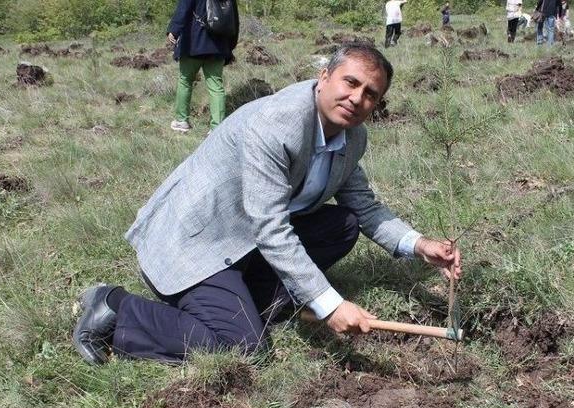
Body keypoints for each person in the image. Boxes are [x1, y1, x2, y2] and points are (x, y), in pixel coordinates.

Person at [72, 43, 463, 365]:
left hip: (244, 240)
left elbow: (364, 208)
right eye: (351, 82)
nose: (357, 98)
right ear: (324, 77)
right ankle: (115, 309)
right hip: (197, 242)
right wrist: (328, 303)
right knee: (245, 348)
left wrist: (419, 245)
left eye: (370, 94)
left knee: (342, 223)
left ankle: (247, 302)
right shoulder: (278, 124)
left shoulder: (351, 138)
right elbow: (271, 228)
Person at [166, 0, 239, 134]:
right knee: (216, 87)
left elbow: (184, 8)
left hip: (193, 44)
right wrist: (230, 46)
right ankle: (217, 127)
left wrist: (173, 30)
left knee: (185, 81)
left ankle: (182, 121)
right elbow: (233, 19)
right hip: (218, 46)